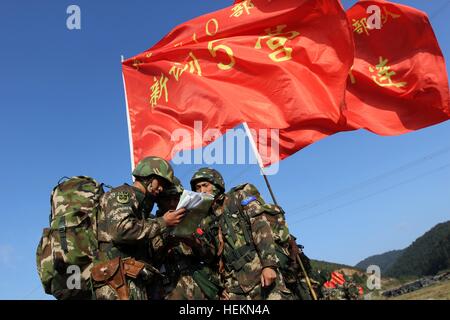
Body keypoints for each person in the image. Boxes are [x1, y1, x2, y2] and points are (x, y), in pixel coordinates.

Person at [191, 168, 292, 300]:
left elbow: (260, 227)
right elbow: (211, 258)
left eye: (205, 185)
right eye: (197, 188)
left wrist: (269, 265)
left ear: (216, 184)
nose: (201, 191)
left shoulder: (238, 197)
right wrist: (220, 287)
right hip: (233, 286)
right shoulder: (204, 220)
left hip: (259, 272)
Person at [92, 156, 185, 300]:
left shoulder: (142, 207)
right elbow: (121, 230)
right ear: (148, 176)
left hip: (132, 278)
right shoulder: (123, 194)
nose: (161, 188)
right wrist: (163, 222)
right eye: (160, 182)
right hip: (117, 281)